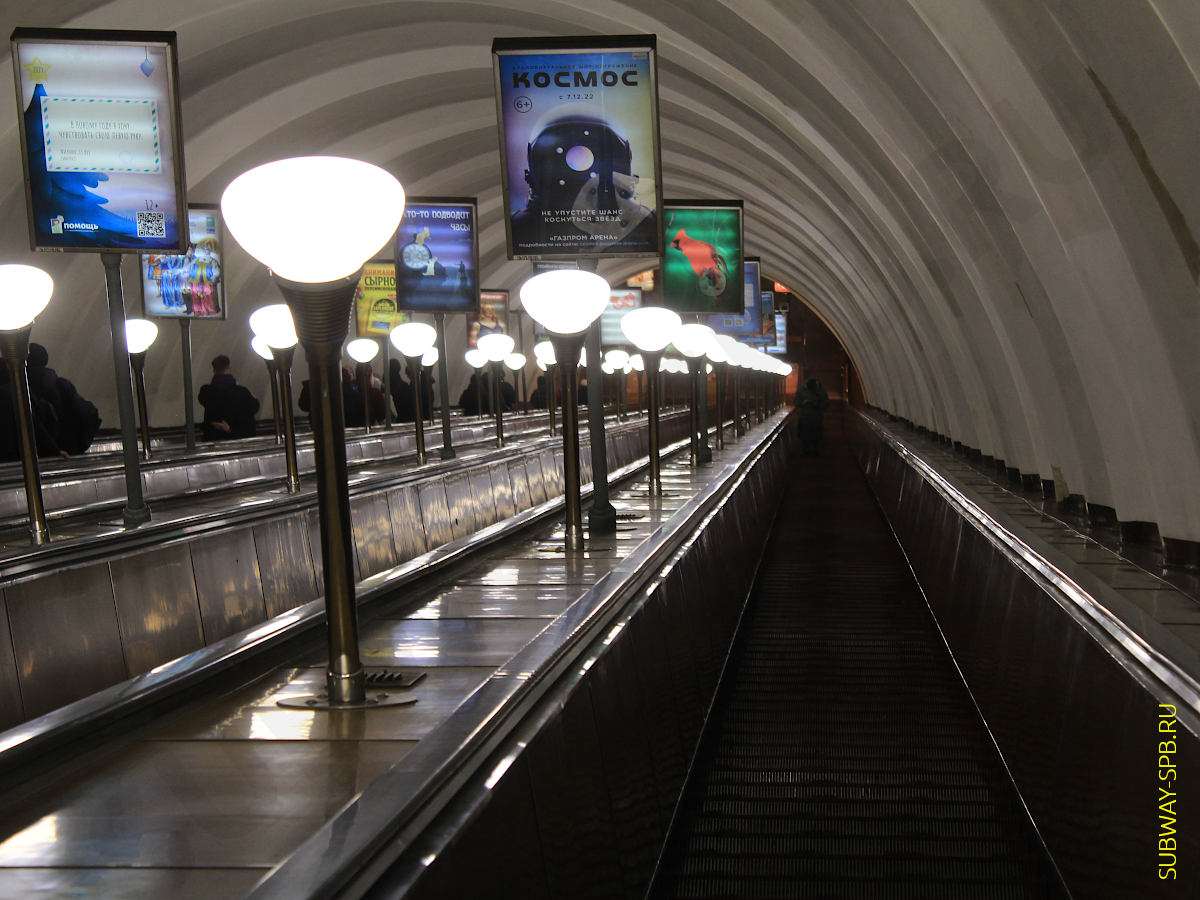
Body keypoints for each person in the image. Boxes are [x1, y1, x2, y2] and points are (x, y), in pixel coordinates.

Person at [24, 342, 100, 454]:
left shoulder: (19, 390)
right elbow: (86, 412)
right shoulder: (60, 385)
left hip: (38, 451)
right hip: (67, 449)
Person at [198, 354, 260, 440]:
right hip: (238, 437)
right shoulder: (241, 391)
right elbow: (255, 407)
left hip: (213, 437)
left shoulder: (206, 391)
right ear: (229, 369)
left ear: (214, 370)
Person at [794, 377, 830, 456]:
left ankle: (815, 450)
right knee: (805, 435)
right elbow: (796, 402)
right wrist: (803, 403)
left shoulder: (820, 391)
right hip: (805, 417)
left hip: (815, 417)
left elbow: (826, 403)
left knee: (815, 435)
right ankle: (806, 450)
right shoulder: (801, 391)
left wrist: (816, 404)